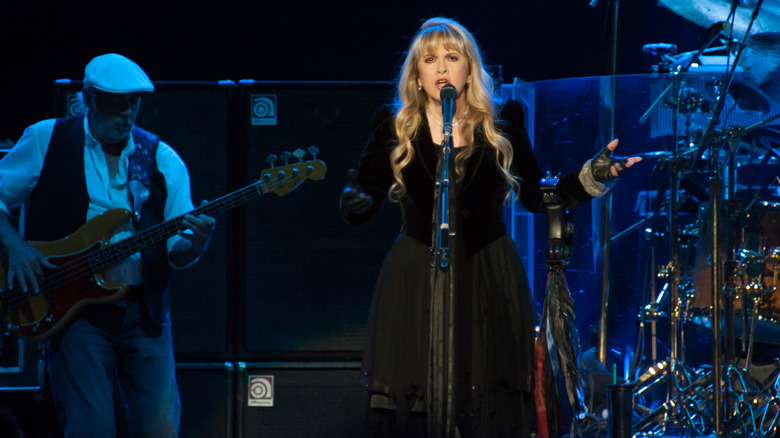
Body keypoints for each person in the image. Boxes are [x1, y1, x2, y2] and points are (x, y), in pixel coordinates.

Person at [339, 17, 641, 437]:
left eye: (451, 57)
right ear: (417, 74)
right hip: (416, 276)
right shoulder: (395, 127)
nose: (441, 67)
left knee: (485, 397)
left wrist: (593, 176)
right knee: (418, 398)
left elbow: (538, 196)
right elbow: (364, 195)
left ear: (469, 70)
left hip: (487, 273)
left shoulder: (503, 125)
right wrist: (355, 200)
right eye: (430, 59)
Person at [0, 53, 215, 437]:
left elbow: (178, 251)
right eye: (116, 102)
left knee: (159, 428)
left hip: (143, 310)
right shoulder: (47, 139)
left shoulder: (162, 159)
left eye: (134, 103)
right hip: (73, 309)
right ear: (88, 97)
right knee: (90, 428)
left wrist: (196, 244)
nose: (126, 113)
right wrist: (15, 246)